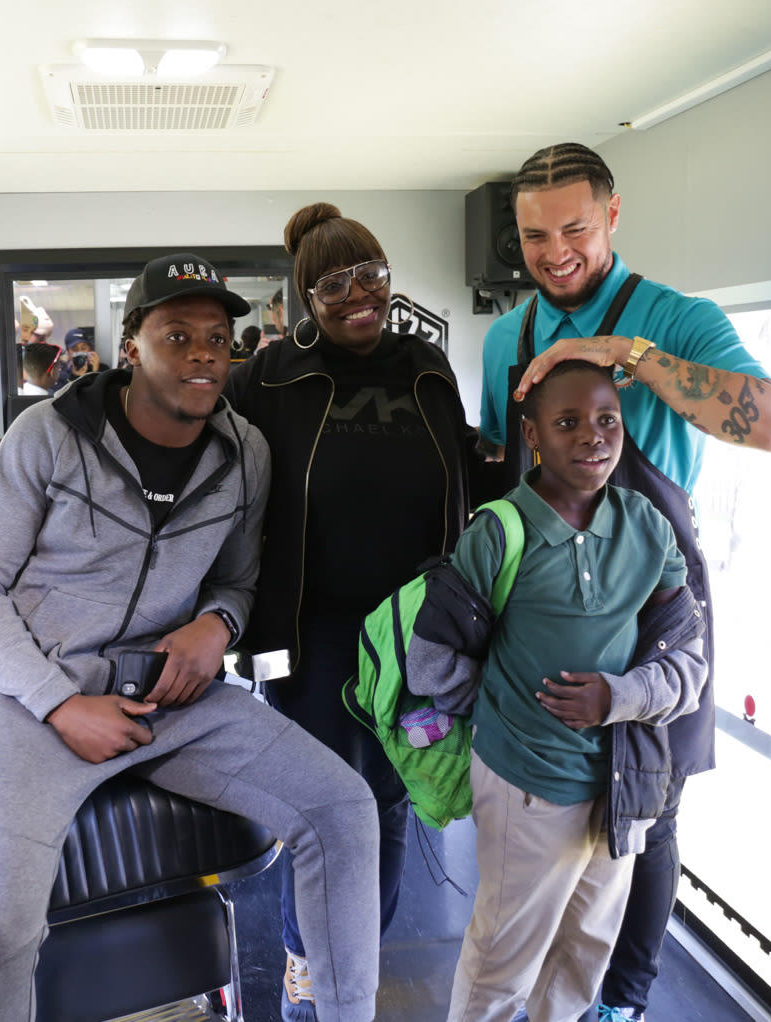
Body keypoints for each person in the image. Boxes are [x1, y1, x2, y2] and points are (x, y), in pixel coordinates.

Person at [0, 252, 382, 1022]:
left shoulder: (244, 453)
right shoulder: (47, 435)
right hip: (24, 701)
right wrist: (57, 703)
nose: (204, 352)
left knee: (345, 809)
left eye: (217, 336)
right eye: (178, 334)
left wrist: (220, 625)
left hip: (166, 695)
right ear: (132, 343)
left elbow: (236, 582)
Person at [478, 142, 771, 1022]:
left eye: (574, 227)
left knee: (643, 814)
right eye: (534, 235)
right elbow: (505, 469)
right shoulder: (510, 334)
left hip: (654, 601)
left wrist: (626, 353)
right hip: (539, 595)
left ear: (613, 214)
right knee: (540, 798)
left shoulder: (677, 317)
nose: (554, 251)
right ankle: (536, 989)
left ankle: (622, 1002)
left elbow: (769, 425)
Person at [225, 203, 489, 1022]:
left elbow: (464, 477)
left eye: (371, 274)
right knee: (325, 806)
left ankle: (357, 963)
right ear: (306, 294)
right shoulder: (267, 378)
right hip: (313, 636)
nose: (360, 294)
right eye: (336, 282)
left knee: (393, 794)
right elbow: (221, 491)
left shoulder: (425, 367)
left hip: (416, 631)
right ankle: (308, 960)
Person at [425, 360, 707, 1022]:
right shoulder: (498, 532)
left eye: (607, 419)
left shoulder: (648, 527)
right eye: (568, 422)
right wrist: (503, 709)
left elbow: (688, 664)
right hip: (527, 785)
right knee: (503, 961)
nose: (593, 436)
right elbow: (431, 658)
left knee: (584, 956)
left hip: (621, 786)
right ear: (532, 435)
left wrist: (618, 698)